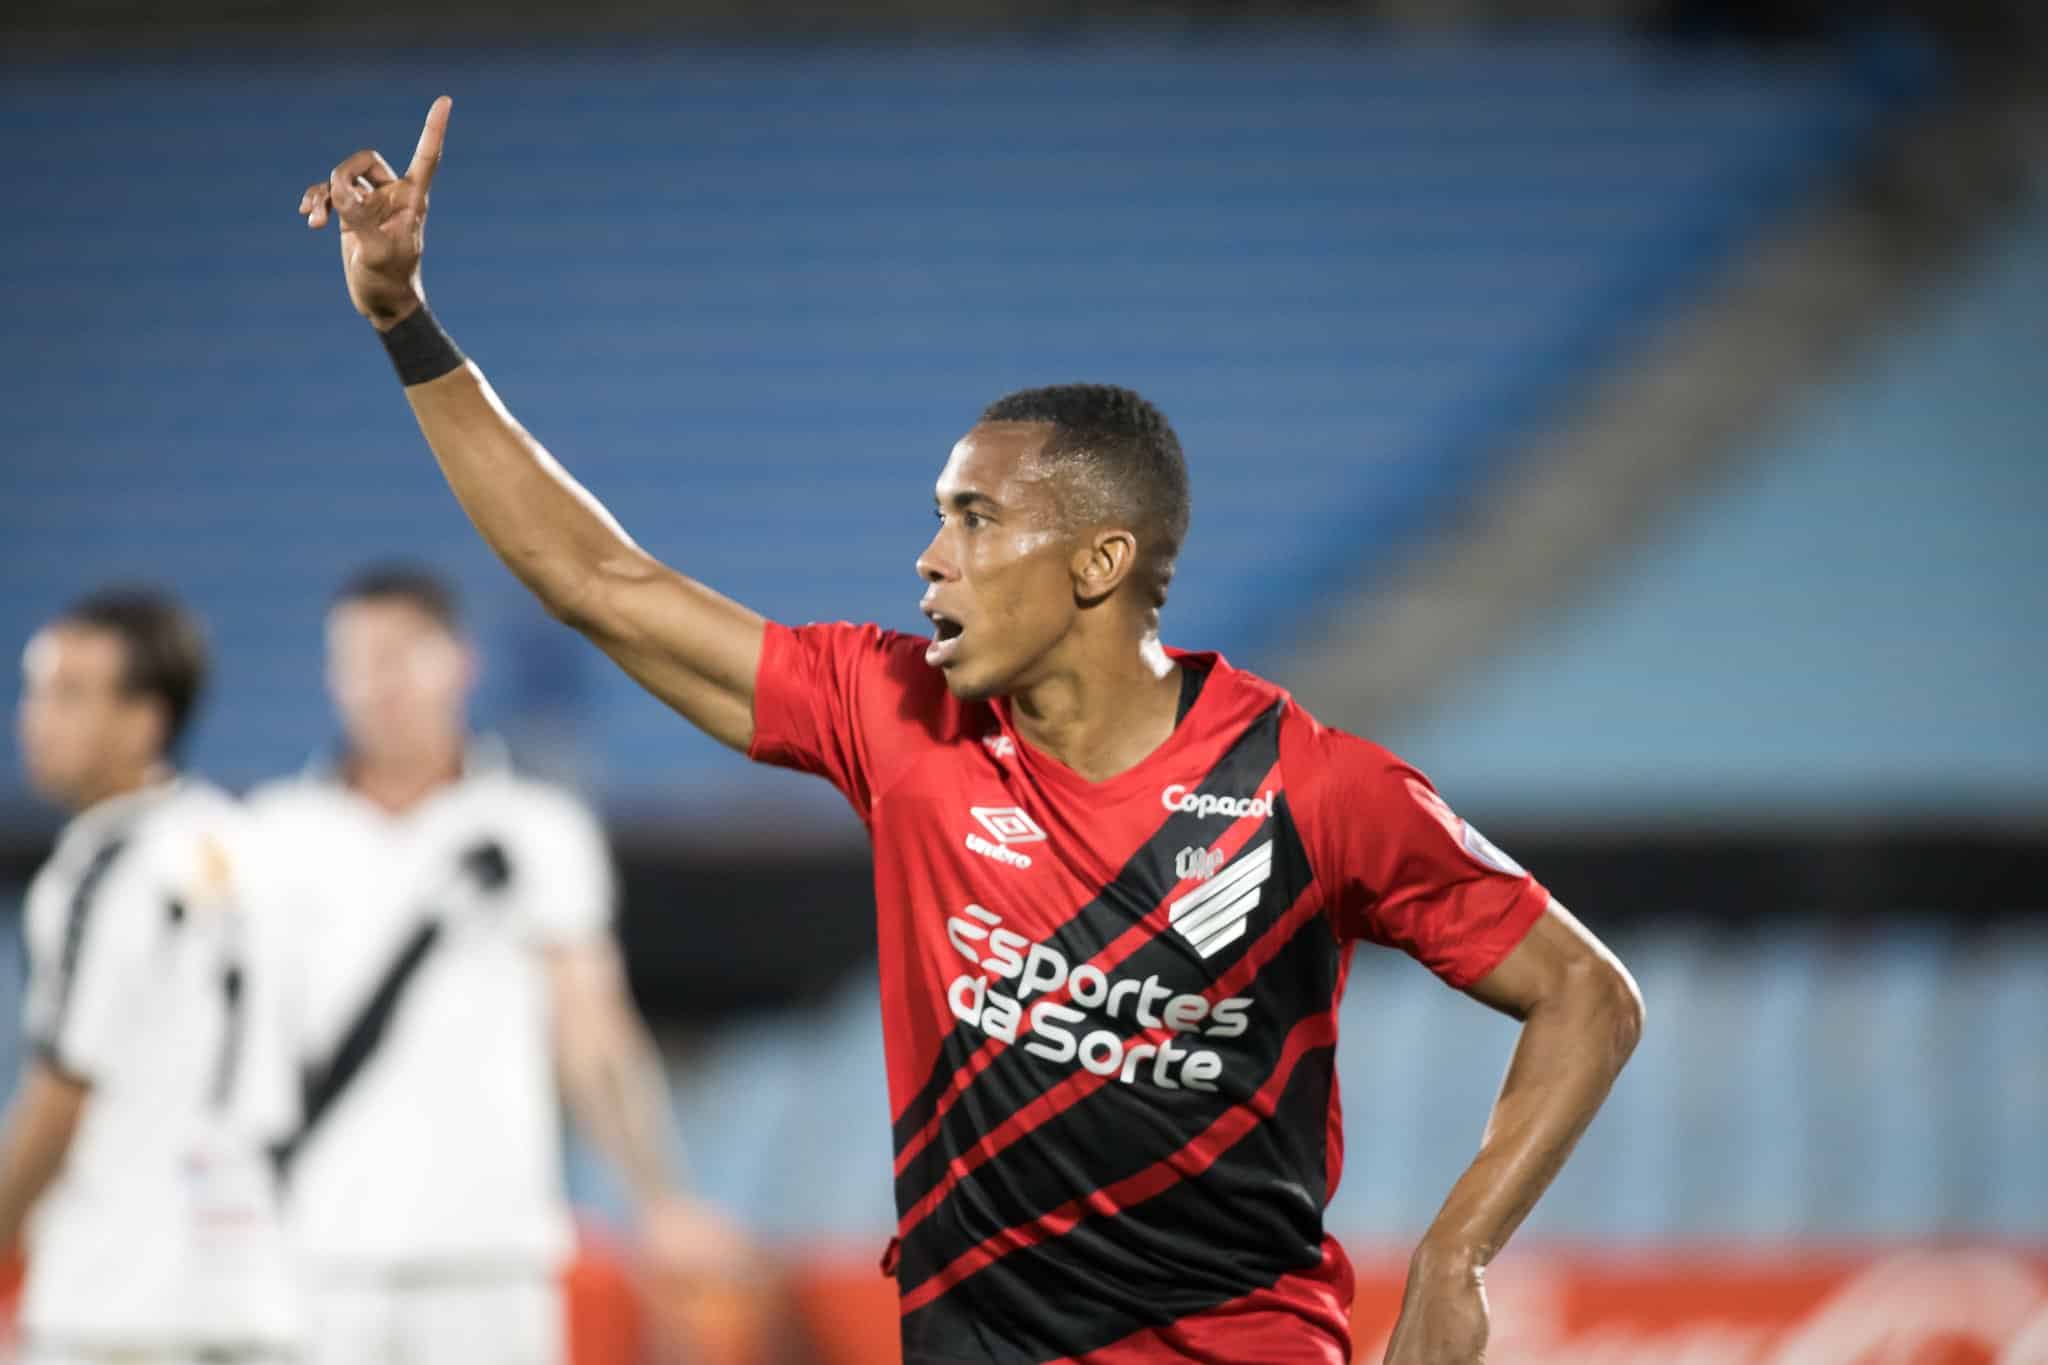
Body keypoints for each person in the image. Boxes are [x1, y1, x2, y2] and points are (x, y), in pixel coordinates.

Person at [297, 99, 1646, 1365]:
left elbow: (1585, 996)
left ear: (1099, 561)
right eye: (940, 516)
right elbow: (600, 582)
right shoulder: (895, 716)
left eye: (975, 520)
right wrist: (405, 321)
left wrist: (1457, 1256)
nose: (930, 558)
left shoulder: (1309, 788)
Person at [247, 564, 717, 1365]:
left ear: (462, 661)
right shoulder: (270, 836)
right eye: (357, 659)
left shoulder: (539, 830)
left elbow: (592, 1033)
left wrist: (659, 1198)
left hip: (491, 1255)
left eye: (402, 653)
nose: (380, 681)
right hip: (313, 1253)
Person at [0, 589, 298, 1364]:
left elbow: (62, 1094)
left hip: (114, 1294)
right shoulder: (244, 840)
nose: (34, 718)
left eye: (69, 694)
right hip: (251, 1286)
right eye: (36, 691)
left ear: (144, 720)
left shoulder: (103, 867)